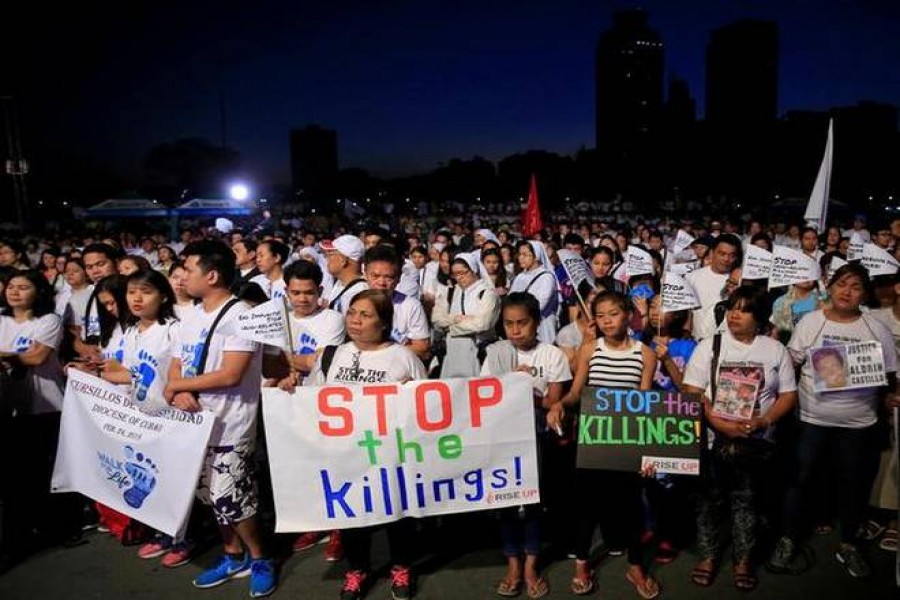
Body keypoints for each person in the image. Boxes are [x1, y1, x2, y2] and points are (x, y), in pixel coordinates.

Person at [770, 263, 898, 578]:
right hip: (811, 419)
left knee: (854, 485)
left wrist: (890, 396)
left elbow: (891, 376)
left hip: (859, 424)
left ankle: (849, 544)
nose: (847, 292)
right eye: (842, 284)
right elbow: (791, 364)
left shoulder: (875, 328)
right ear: (830, 286)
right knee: (799, 481)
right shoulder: (811, 322)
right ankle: (788, 539)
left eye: (855, 287)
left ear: (864, 294)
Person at [164, 239, 276, 597]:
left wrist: (179, 384)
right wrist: (178, 388)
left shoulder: (242, 315)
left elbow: (231, 374)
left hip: (232, 423)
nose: (181, 277)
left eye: (188, 270)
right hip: (195, 424)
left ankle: (261, 557)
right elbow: (179, 359)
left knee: (233, 497)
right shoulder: (191, 315)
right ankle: (233, 555)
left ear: (211, 275)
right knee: (209, 495)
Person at [305, 289, 426, 600]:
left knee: (398, 514)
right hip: (345, 453)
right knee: (352, 516)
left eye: (366, 315)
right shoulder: (333, 355)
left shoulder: (403, 357)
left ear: (384, 323)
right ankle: (357, 569)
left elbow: (426, 407)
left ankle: (401, 566)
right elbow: (314, 400)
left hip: (391, 453)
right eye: (352, 313)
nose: (356, 321)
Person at [682, 285, 798, 591]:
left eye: (744, 309)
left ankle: (743, 559)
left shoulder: (775, 350)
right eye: (732, 307)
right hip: (712, 439)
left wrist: (764, 420)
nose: (735, 314)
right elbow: (692, 390)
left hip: (757, 441)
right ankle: (708, 556)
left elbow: (788, 394)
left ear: (759, 317)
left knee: (746, 500)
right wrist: (716, 421)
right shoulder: (709, 345)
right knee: (708, 500)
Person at [547, 291, 660, 599]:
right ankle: (582, 563)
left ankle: (636, 565)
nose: (607, 320)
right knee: (586, 505)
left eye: (613, 313)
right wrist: (559, 404)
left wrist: (651, 452)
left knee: (632, 506)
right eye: (601, 315)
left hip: (628, 440)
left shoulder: (645, 354)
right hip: (592, 437)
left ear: (628, 315)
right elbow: (575, 392)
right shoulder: (589, 349)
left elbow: (647, 404)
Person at [481, 293, 571, 599]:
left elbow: (553, 401)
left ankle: (532, 564)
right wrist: (507, 385)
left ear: (537, 322)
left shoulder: (552, 355)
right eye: (509, 324)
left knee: (533, 502)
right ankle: (513, 564)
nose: (515, 330)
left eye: (522, 323)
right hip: (504, 436)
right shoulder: (495, 354)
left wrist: (524, 389)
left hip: (538, 436)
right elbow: (484, 396)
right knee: (506, 502)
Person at [0, 270, 78, 553]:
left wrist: (6, 356)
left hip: (46, 406)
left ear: (39, 291)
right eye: (11, 286)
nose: (15, 292)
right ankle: (20, 531)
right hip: (9, 407)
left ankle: (57, 528)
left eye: (23, 287)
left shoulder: (48, 321)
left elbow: (37, 356)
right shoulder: (1, 319)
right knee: (15, 475)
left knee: (46, 472)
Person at [274, 260, 346, 560]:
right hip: (289, 403)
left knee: (335, 467)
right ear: (286, 292)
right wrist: (286, 365)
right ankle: (316, 522)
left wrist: (285, 361)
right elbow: (271, 361)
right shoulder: (278, 319)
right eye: (295, 292)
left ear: (320, 290)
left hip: (325, 404)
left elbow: (317, 362)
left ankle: (340, 529)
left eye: (309, 292)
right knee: (304, 468)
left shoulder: (333, 320)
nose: (302, 299)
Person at [431, 253, 500, 378]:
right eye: (455, 274)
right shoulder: (449, 292)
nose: (459, 277)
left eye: (462, 273)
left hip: (477, 351)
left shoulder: (487, 294)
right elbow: (437, 319)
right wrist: (455, 318)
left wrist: (450, 329)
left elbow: (483, 323)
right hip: (452, 352)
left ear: (473, 269)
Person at [363, 244, 431, 361]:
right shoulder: (356, 303)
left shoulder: (411, 306)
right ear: (365, 273)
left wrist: (383, 349)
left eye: (388, 277)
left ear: (399, 277)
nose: (381, 282)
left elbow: (421, 347)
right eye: (375, 276)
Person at [686, 234, 742, 341]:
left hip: (726, 342)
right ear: (712, 252)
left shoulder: (739, 280)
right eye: (722, 254)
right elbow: (687, 312)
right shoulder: (691, 277)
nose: (726, 259)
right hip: (695, 341)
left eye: (732, 255)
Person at [509, 241, 559, 344]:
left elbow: (539, 304)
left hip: (542, 327)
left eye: (525, 255)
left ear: (536, 256)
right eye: (520, 254)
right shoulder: (520, 276)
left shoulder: (546, 277)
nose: (520, 258)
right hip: (520, 326)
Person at [323, 235, 368, 315]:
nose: (327, 259)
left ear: (343, 261)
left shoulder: (360, 293)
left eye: (331, 254)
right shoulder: (340, 283)